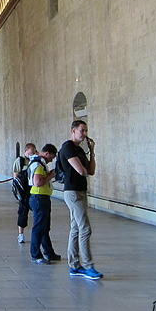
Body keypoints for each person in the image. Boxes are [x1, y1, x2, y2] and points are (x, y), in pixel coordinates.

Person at [59, 120, 102, 280]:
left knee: (76, 228)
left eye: (86, 131)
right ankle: (89, 266)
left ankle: (74, 265)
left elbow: (90, 171)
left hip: (81, 191)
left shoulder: (80, 150)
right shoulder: (68, 147)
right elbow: (81, 171)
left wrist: (92, 151)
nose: (85, 134)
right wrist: (82, 168)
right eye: (82, 131)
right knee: (85, 228)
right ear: (73, 130)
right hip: (72, 192)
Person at [28, 144, 61, 263]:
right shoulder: (38, 164)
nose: (51, 160)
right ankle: (36, 254)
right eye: (51, 157)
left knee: (44, 227)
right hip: (39, 197)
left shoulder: (39, 163)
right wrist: (51, 176)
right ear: (46, 153)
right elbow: (37, 182)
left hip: (42, 197)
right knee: (39, 227)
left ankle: (49, 252)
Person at [12, 143, 37, 243]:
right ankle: (20, 234)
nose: (31, 155)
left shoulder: (35, 160)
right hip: (24, 190)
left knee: (37, 211)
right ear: (25, 151)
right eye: (30, 153)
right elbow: (15, 177)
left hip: (33, 189)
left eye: (33, 153)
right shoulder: (20, 161)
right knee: (22, 212)